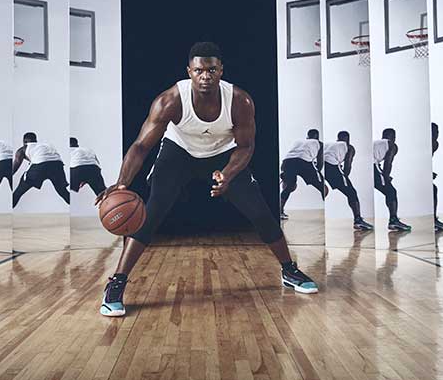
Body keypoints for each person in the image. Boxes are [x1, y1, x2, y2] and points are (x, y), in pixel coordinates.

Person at [94, 42, 318, 317]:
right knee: (150, 213)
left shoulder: (240, 101)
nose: (205, 76)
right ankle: (116, 283)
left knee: (260, 212)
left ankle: (289, 270)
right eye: (199, 70)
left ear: (221, 70)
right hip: (178, 152)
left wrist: (228, 174)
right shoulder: (170, 100)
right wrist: (121, 183)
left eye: (211, 70)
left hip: (222, 154)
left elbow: (246, 146)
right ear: (189, 71)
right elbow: (141, 146)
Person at [323, 131, 373, 231]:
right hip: (331, 167)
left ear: (338, 138)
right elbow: (348, 165)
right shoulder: (349, 147)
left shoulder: (328, 145)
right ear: (348, 139)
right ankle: (358, 220)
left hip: (319, 165)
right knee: (352, 193)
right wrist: (344, 177)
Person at [279, 129, 328, 219]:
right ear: (317, 137)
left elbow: (291, 156)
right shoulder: (319, 143)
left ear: (307, 136)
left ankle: (280, 211)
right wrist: (317, 174)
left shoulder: (298, 142)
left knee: (289, 186)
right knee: (322, 186)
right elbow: (320, 164)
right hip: (303, 162)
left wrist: (284, 174)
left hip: (287, 162)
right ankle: (328, 210)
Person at [12, 132, 70, 207]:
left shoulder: (23, 149)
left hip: (40, 166)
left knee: (18, 192)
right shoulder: (46, 146)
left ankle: (9, 209)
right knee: (63, 192)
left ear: (24, 141)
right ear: (36, 140)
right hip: (57, 165)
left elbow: (15, 167)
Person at [373, 128, 411, 231]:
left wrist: (384, 176)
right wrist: (386, 177)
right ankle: (393, 221)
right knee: (391, 191)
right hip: (373, 167)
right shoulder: (392, 145)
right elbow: (388, 163)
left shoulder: (375, 143)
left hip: (366, 168)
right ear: (393, 137)